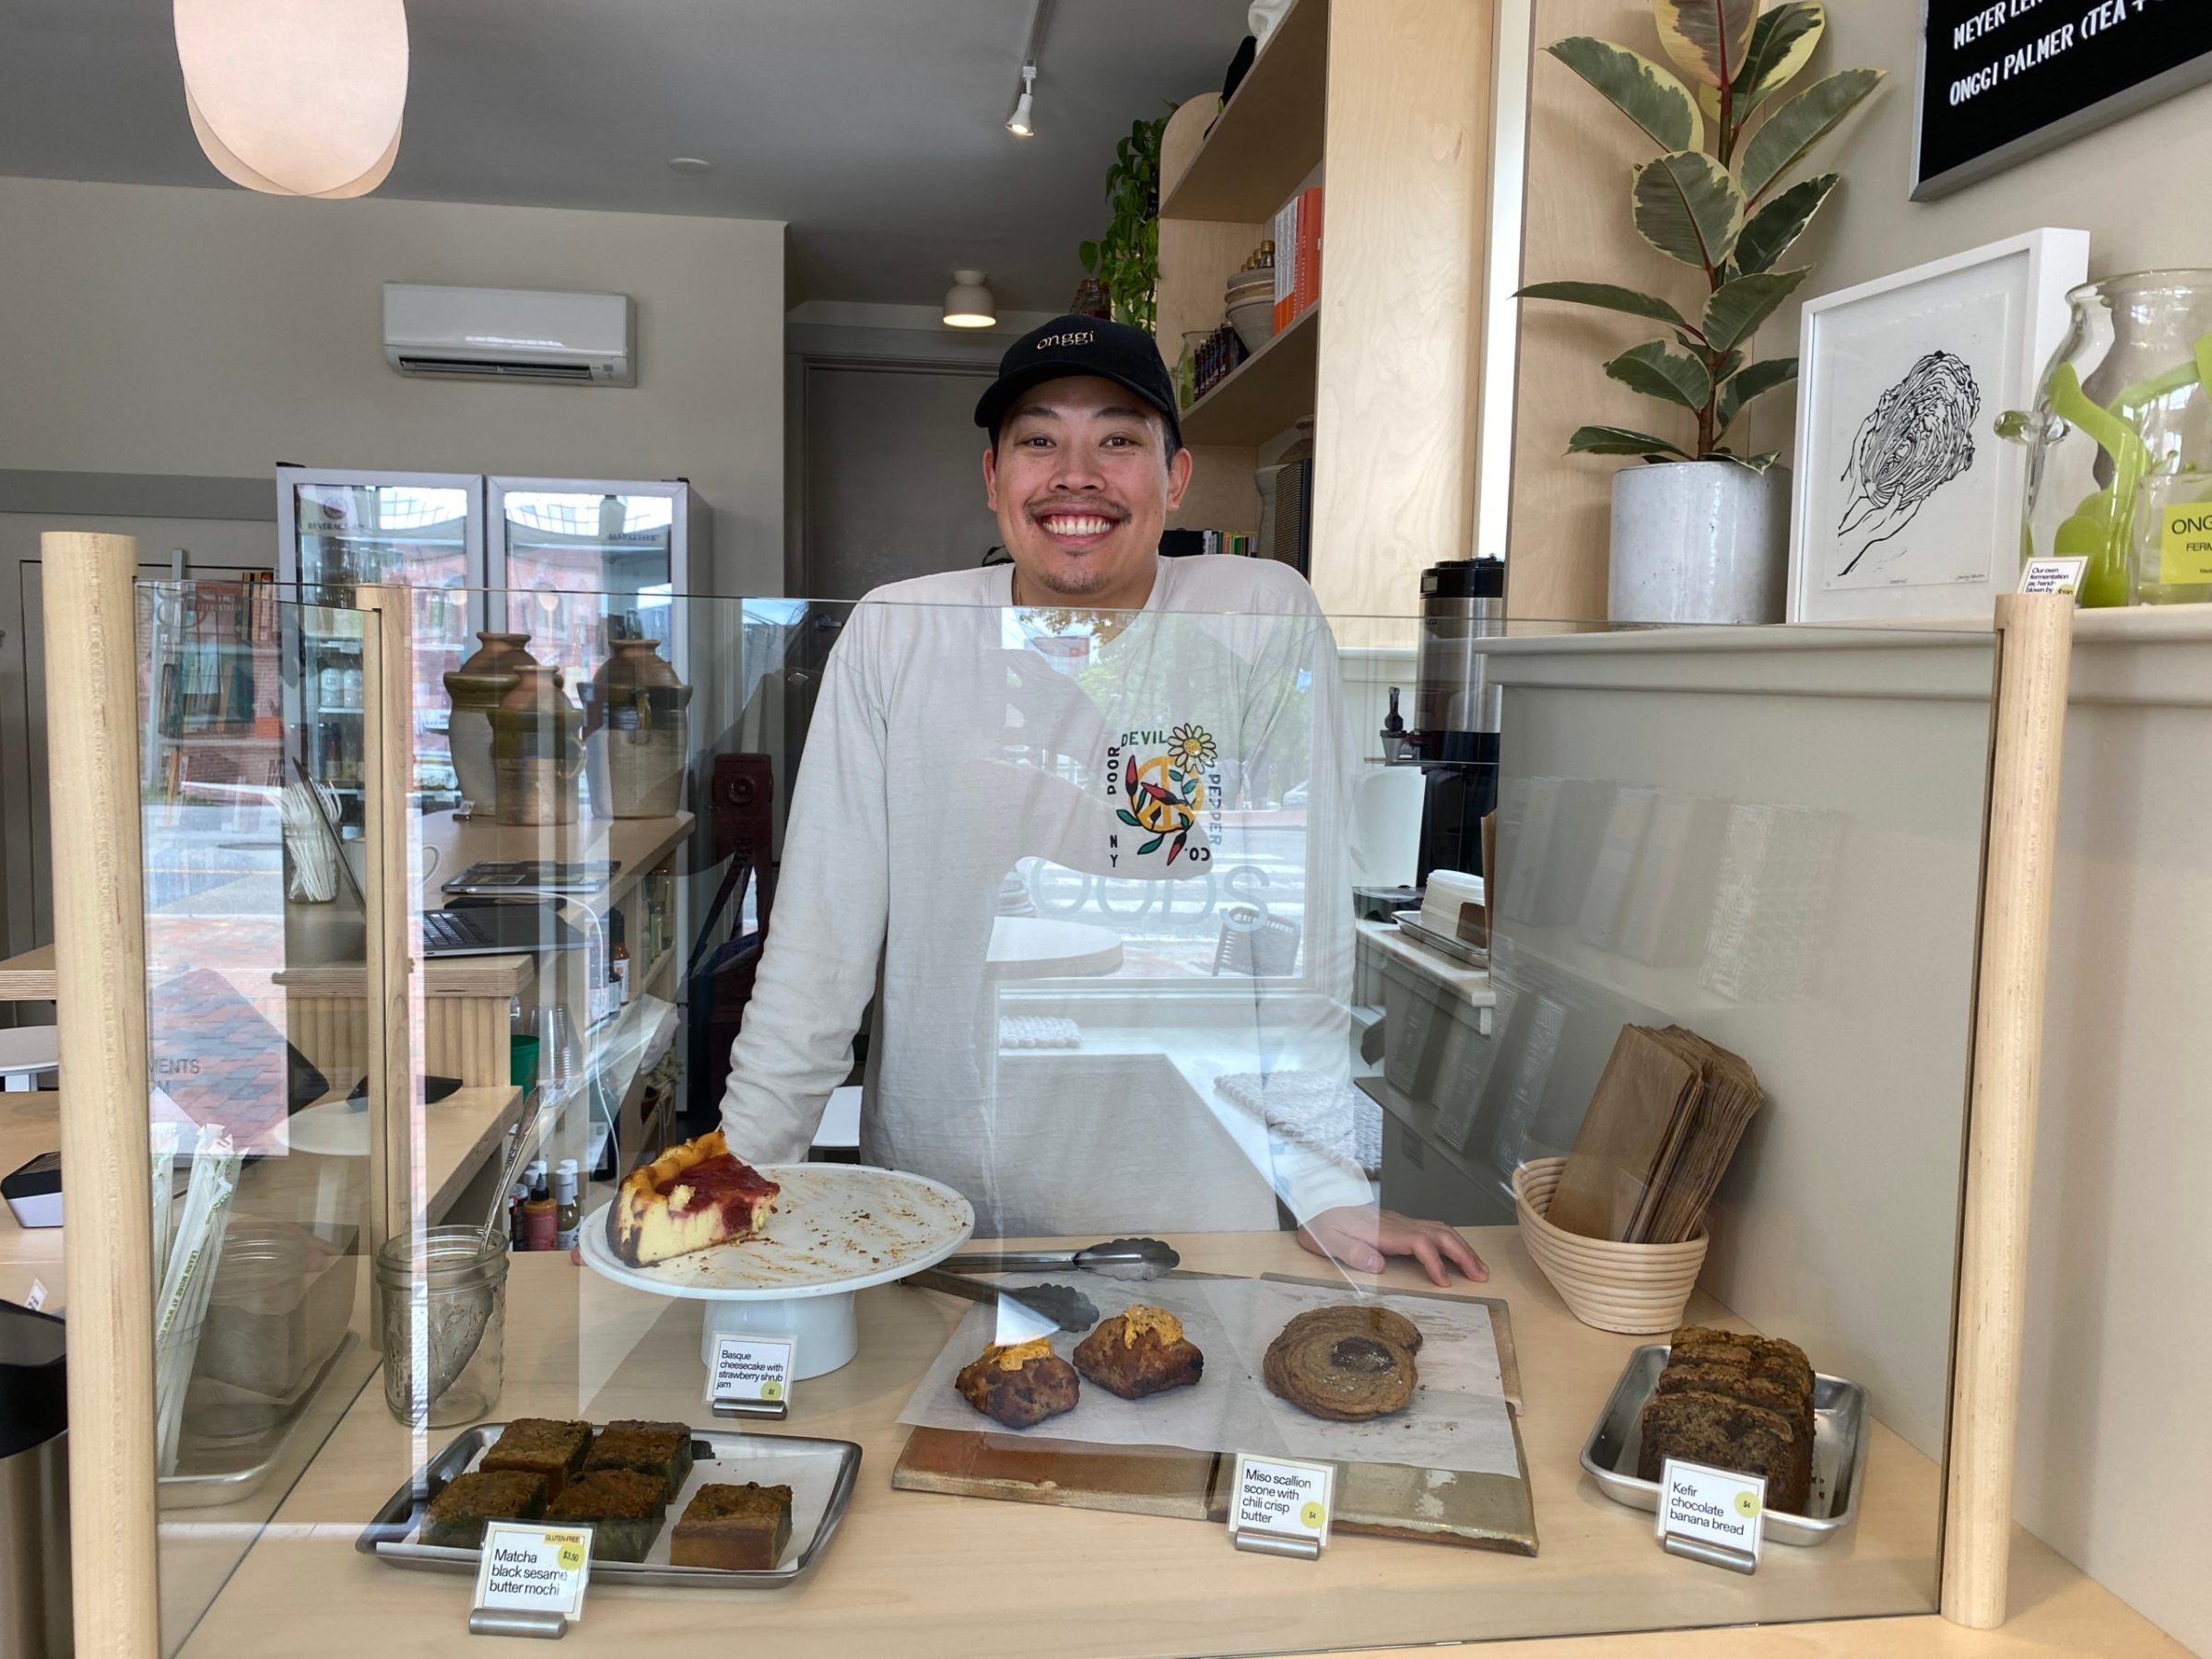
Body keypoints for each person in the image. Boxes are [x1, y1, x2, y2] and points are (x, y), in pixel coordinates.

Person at [718, 314, 1483, 1287]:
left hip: (1196, 1213)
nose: (1076, 474)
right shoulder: (896, 634)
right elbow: (820, 947)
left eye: (1118, 439)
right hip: (950, 1207)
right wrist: (735, 1176)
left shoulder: (1253, 619)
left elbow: (1292, 935)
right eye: (1039, 440)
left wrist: (1328, 1183)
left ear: (1175, 478)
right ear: (994, 479)